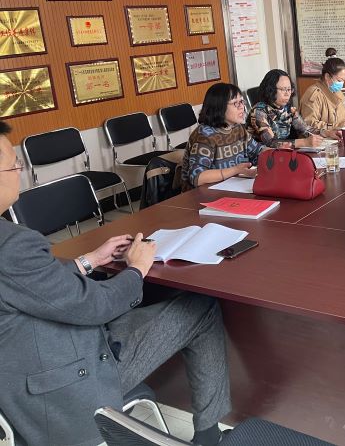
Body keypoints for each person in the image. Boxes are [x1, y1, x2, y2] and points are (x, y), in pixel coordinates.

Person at [0, 120, 230, 446]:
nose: (20, 174)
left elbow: (29, 287)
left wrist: (90, 260)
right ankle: (209, 437)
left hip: (19, 376)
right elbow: (95, 306)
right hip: (65, 386)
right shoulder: (12, 245)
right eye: (15, 166)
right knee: (201, 308)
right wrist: (137, 268)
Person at [182, 82, 264, 191]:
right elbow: (197, 177)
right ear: (219, 107)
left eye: (241, 101)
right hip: (201, 195)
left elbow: (257, 152)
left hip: (231, 187)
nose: (242, 107)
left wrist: (279, 152)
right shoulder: (204, 136)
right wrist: (235, 170)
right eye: (235, 103)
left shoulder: (238, 128)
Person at [248, 69, 338, 148]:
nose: (287, 94)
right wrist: (304, 142)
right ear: (270, 90)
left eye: (289, 89)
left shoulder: (288, 108)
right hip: (261, 157)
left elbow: (305, 129)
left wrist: (327, 133)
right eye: (283, 89)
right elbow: (271, 143)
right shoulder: (258, 111)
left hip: (282, 154)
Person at [299, 56, 345, 130]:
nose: (341, 84)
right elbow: (309, 124)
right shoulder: (314, 94)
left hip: (339, 133)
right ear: (327, 76)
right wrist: (337, 126)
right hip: (323, 136)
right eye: (339, 80)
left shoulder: (335, 90)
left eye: (343, 81)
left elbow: (340, 113)